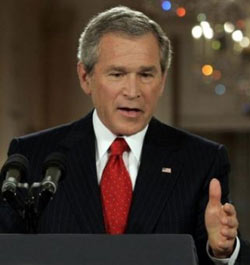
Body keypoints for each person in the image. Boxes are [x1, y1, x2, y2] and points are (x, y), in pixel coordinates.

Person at [0, 5, 249, 265]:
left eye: (146, 74)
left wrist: (223, 252)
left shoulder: (202, 160)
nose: (133, 91)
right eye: (117, 74)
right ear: (85, 77)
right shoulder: (32, 156)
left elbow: (229, 251)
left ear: (162, 80)